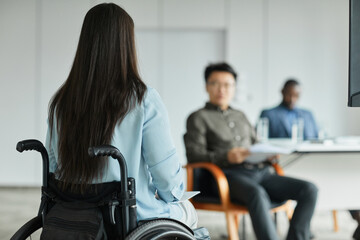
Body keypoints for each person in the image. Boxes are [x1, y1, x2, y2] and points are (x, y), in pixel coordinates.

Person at [45, 3, 197, 235]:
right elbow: (167, 180)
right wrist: (173, 196)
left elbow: (54, 167)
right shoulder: (143, 99)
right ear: (126, 44)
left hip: (71, 210)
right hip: (126, 216)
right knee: (187, 211)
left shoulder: (61, 101)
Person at [184, 62, 318, 240]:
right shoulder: (198, 118)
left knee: (309, 190)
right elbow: (194, 155)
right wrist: (227, 156)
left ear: (234, 88)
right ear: (206, 86)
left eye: (227, 84)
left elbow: (256, 144)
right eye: (215, 83)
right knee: (257, 193)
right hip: (226, 176)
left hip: (260, 172)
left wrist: (268, 153)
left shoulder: (240, 116)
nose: (221, 89)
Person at [260, 79, 360, 240]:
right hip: (285, 165)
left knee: (338, 176)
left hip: (313, 161)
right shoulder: (269, 114)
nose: (292, 99)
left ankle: (357, 216)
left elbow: (317, 137)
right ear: (282, 92)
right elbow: (262, 141)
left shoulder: (307, 114)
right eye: (289, 94)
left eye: (296, 95)